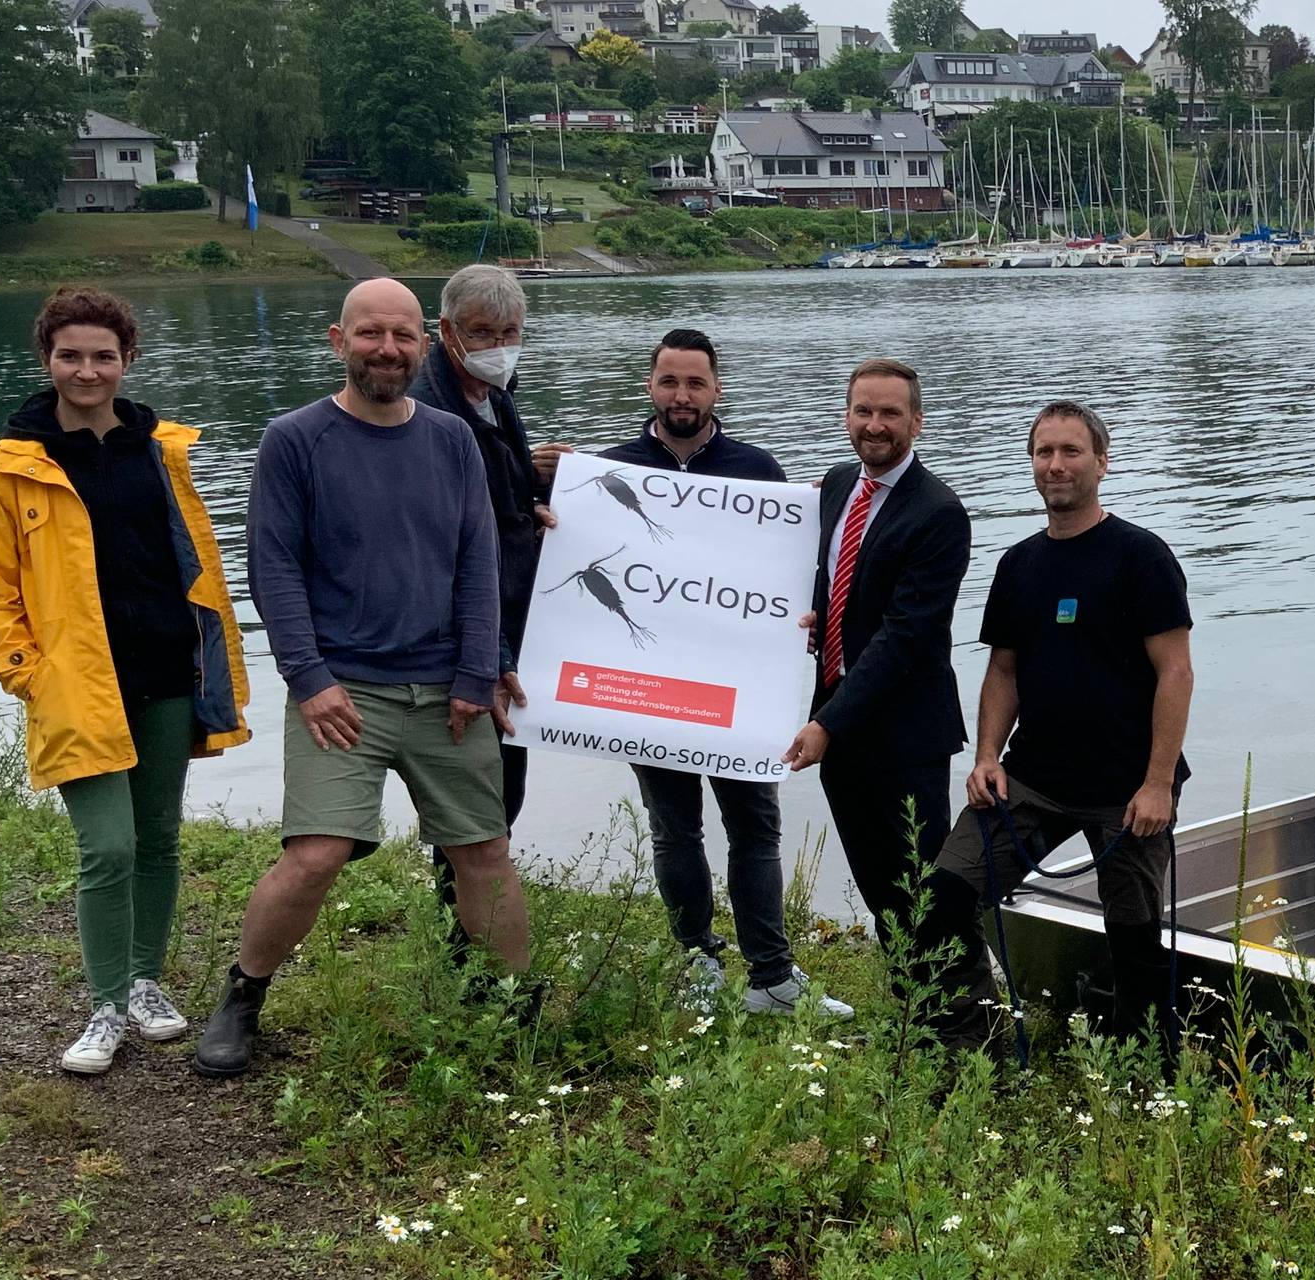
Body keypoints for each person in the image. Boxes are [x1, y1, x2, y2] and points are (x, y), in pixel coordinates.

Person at [192, 279, 532, 1078]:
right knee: (315, 854)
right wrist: (308, 678)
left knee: (485, 852)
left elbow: (476, 563)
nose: (388, 349)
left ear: (427, 344)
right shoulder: (295, 439)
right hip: (343, 690)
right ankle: (243, 994)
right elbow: (273, 567)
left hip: (446, 687)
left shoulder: (452, 440)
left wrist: (477, 669)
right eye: (371, 333)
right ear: (337, 340)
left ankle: (513, 1004)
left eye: (403, 335)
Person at [0, 287, 252, 1075]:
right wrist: (28, 674)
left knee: (158, 837)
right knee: (109, 849)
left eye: (102, 355)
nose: (86, 370)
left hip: (165, 670)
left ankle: (146, 984)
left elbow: (191, 558)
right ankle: (103, 1004)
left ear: (128, 360)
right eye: (70, 355)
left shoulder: (162, 450)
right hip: (76, 686)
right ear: (46, 359)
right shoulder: (5, 469)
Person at [576, 329, 845, 1016]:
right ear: (650, 386)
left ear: (717, 389)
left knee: (755, 825)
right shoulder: (608, 470)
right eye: (669, 381)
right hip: (650, 689)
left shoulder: (758, 468)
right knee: (674, 830)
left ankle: (772, 977)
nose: (682, 395)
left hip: (740, 690)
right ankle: (697, 957)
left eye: (695, 382)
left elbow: (789, 576)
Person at [922, 400, 1193, 1038]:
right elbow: (1004, 672)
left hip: (1128, 788)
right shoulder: (1019, 564)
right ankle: (974, 1033)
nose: (1057, 464)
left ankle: (1145, 1067)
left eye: (1072, 451)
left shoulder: (1141, 557)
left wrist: (1158, 783)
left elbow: (1175, 673)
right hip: (1033, 779)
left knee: (1133, 932)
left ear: (1102, 460)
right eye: (1045, 452)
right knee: (944, 896)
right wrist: (987, 756)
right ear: (1032, 464)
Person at [778, 359, 972, 976]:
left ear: (917, 421)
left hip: (904, 735)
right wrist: (813, 612)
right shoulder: (837, 485)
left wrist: (827, 724)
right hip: (842, 727)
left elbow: (904, 637)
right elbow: (831, 582)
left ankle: (967, 1029)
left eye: (891, 412)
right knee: (876, 884)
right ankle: (912, 1015)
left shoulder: (938, 511)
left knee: (925, 889)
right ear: (846, 416)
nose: (875, 425)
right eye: (863, 410)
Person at [407, 264, 548, 958]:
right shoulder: (428, 412)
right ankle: (463, 951)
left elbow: (496, 503)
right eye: (482, 333)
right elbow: (450, 545)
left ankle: (470, 943)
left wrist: (532, 494)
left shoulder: (497, 393)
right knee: (472, 812)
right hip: (467, 644)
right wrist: (483, 657)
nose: (498, 344)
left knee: (500, 796)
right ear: (446, 334)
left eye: (509, 332)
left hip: (514, 628)